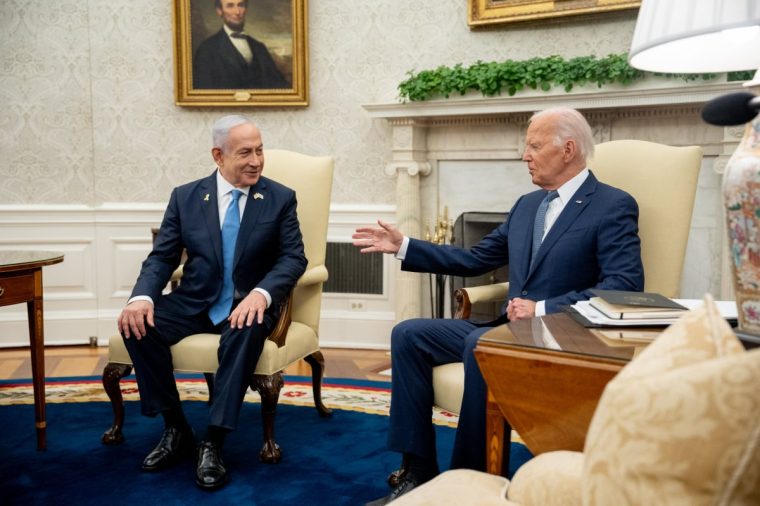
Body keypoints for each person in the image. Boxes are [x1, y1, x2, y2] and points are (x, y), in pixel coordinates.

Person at [353, 107, 644, 505]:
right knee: (409, 334)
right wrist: (404, 246)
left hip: (561, 336)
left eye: (534, 146)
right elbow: (475, 259)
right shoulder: (527, 205)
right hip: (504, 330)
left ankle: (468, 481)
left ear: (568, 149)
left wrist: (542, 308)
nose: (525, 155)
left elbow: (624, 286)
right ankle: (418, 472)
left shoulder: (612, 205)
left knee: (480, 344)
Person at [117, 115, 306, 490]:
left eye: (260, 150)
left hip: (248, 305)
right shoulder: (186, 197)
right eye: (245, 153)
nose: (256, 160)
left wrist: (261, 293)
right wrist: (140, 297)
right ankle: (176, 427)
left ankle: (214, 441)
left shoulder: (280, 198)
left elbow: (293, 258)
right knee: (136, 326)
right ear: (218, 156)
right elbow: (162, 257)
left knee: (244, 327)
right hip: (193, 301)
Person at [193, 0, 290, 89]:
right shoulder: (206, 50)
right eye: (230, 6)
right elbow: (204, 93)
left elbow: (279, 86)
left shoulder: (260, 48)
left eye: (241, 5)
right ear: (219, 11)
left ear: (246, 8)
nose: (237, 12)